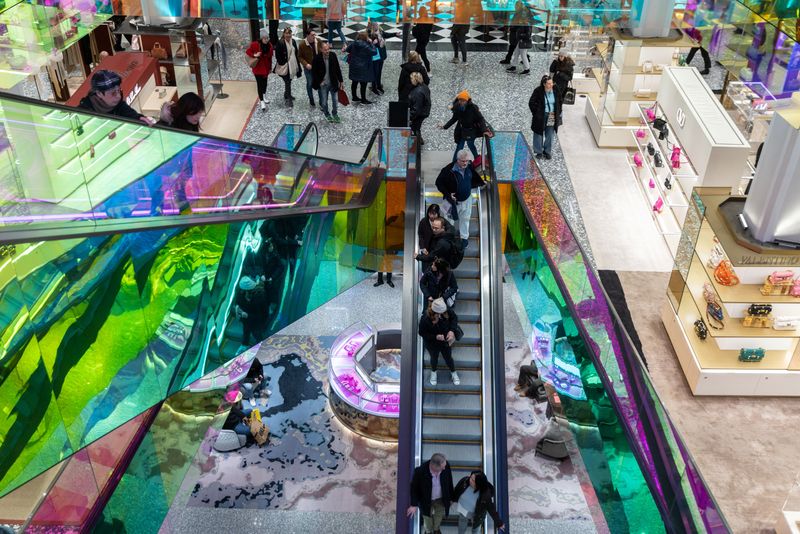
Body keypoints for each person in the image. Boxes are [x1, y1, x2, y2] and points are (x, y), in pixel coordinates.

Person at [436, 148, 485, 248]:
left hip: (467, 200)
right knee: (449, 221)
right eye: (463, 161)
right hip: (452, 202)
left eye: (467, 161)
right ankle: (449, 238)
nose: (465, 163)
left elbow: (474, 177)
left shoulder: (469, 166)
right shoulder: (448, 170)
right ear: (457, 160)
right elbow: (439, 183)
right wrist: (448, 194)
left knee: (465, 219)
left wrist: (482, 183)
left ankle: (464, 238)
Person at [77, 70, 154, 125]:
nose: (118, 96)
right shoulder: (84, 112)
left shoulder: (117, 104)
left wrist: (138, 118)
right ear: (99, 93)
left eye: (118, 90)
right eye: (113, 93)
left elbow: (127, 112)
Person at [408, 453, 455, 534]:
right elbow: (414, 488)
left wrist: (451, 498)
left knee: (438, 517)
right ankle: (428, 531)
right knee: (427, 519)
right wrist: (414, 504)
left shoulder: (446, 466)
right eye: (442, 466)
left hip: (440, 499)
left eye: (445, 465)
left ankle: (436, 529)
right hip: (426, 501)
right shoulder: (420, 471)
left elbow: (449, 482)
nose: (445, 468)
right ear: (434, 466)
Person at [440, 91, 493, 161]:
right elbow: (454, 119)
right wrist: (444, 126)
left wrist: (484, 130)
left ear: (467, 100)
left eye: (463, 100)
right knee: (459, 147)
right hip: (462, 131)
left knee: (470, 144)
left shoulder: (473, 108)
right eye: (460, 100)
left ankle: (476, 158)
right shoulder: (457, 107)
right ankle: (454, 163)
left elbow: (481, 119)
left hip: (471, 131)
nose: (461, 102)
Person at [419, 298, 460, 386]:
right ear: (436, 312)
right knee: (434, 358)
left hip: (445, 341)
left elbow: (454, 318)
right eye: (441, 313)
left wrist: (452, 331)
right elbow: (422, 333)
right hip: (432, 343)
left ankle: (453, 372)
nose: (445, 313)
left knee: (448, 357)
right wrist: (435, 337)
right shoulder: (425, 318)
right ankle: (434, 372)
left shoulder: (445, 310)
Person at [528, 74, 563, 160]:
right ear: (544, 84)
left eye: (552, 83)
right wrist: (536, 113)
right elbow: (531, 103)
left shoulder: (555, 89)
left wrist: (558, 111)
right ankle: (538, 151)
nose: (551, 85)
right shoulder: (538, 91)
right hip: (541, 116)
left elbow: (560, 100)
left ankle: (547, 151)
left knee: (550, 134)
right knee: (538, 133)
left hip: (551, 115)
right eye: (549, 83)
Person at [312, 41, 345, 123]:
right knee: (324, 102)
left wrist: (341, 81)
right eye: (325, 50)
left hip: (333, 83)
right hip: (323, 85)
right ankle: (327, 114)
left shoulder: (333, 55)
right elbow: (314, 72)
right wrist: (320, 82)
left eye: (328, 49)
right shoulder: (317, 58)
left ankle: (335, 113)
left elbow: (337, 69)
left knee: (335, 101)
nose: (327, 51)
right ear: (321, 50)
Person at [235, 275, 269, 346]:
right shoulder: (240, 294)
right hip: (245, 320)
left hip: (256, 322)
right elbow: (238, 302)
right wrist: (238, 308)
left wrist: (248, 316)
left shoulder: (259, 297)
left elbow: (262, 314)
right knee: (246, 332)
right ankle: (245, 344)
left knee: (257, 335)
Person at [343, 32, 376, 104]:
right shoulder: (366, 45)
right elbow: (374, 52)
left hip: (354, 66)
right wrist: (371, 43)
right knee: (363, 83)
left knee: (354, 82)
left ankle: (354, 97)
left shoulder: (354, 43)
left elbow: (348, 50)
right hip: (364, 67)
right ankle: (363, 99)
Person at [246, 28, 274, 111]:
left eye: (267, 38)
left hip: (266, 68)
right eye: (265, 38)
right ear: (261, 38)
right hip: (258, 69)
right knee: (259, 84)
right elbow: (248, 52)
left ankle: (264, 96)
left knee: (265, 83)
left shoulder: (270, 46)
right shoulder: (255, 44)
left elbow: (270, 58)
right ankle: (261, 100)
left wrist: (270, 68)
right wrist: (255, 55)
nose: (266, 40)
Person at [275, 27, 302, 107]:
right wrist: (283, 63)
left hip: (292, 65)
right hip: (285, 66)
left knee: (289, 81)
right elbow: (277, 55)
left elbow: (296, 52)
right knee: (287, 82)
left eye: (289, 33)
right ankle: (289, 99)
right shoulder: (280, 43)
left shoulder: (293, 41)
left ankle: (286, 94)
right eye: (286, 33)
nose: (288, 35)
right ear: (283, 34)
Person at [507, 3, 532, 75]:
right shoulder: (522, 22)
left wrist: (520, 36)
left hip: (523, 41)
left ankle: (527, 69)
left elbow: (527, 34)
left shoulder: (527, 24)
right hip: (520, 41)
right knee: (516, 53)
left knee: (523, 55)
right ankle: (513, 66)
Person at [299, 29, 322, 107]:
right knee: (309, 83)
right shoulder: (302, 44)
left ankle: (321, 102)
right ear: (307, 35)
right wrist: (306, 64)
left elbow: (322, 51)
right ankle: (311, 100)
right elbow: (299, 57)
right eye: (312, 35)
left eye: (314, 34)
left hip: (318, 67)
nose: (314, 36)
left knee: (320, 84)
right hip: (308, 68)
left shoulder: (318, 41)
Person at [408, 72, 431, 145]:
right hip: (424, 111)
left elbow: (416, 109)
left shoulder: (417, 92)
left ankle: (417, 143)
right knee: (417, 127)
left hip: (420, 113)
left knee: (415, 127)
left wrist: (409, 117)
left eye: (411, 78)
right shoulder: (424, 86)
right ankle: (419, 140)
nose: (410, 80)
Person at [367, 21, 387, 95]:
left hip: (381, 55)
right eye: (374, 25)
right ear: (372, 26)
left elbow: (386, 35)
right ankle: (374, 87)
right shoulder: (370, 34)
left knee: (379, 72)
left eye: (377, 25)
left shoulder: (381, 31)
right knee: (375, 72)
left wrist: (395, 34)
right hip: (375, 57)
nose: (376, 26)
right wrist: (373, 43)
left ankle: (378, 85)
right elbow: (367, 44)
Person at [412, 9, 433, 74]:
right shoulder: (429, 20)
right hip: (424, 39)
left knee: (419, 55)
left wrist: (414, 27)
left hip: (421, 40)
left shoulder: (420, 20)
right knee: (419, 54)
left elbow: (418, 30)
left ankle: (426, 70)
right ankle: (418, 69)